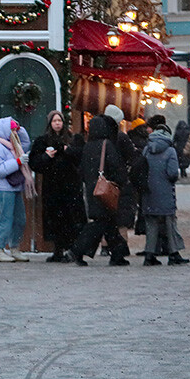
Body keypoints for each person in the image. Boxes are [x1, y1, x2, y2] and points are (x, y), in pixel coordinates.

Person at [69, 113, 130, 266]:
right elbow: (116, 168)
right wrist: (121, 181)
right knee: (100, 223)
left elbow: (81, 171)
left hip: (93, 190)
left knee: (108, 223)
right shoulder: (106, 145)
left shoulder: (88, 146)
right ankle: (77, 251)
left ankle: (117, 254)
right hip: (105, 190)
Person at [28, 110, 85, 262]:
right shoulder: (42, 141)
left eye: (59, 121)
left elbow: (81, 157)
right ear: (49, 123)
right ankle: (58, 250)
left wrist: (69, 151)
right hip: (52, 187)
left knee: (71, 218)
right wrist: (46, 157)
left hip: (71, 186)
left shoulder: (73, 139)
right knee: (55, 219)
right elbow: (34, 162)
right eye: (54, 121)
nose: (57, 124)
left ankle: (72, 249)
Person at [0, 116, 33, 262]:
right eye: (12, 129)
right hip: (3, 188)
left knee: (20, 219)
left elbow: (26, 143)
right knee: (6, 218)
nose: (14, 132)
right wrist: (17, 162)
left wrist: (21, 129)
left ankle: (14, 247)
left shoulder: (13, 145)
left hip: (14, 186)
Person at [144, 122, 188, 266]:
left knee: (151, 224)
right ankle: (174, 253)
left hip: (149, 192)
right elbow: (172, 173)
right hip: (165, 193)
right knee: (170, 223)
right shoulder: (170, 151)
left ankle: (149, 255)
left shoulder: (146, 149)